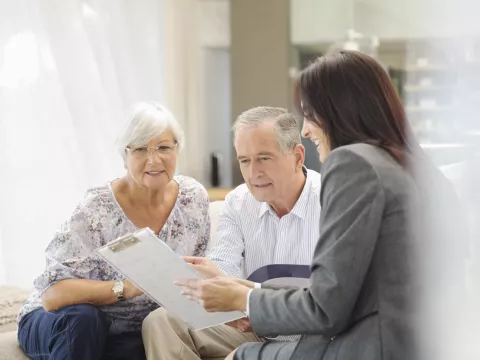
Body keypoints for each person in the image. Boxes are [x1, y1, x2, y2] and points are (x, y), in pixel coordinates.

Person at [175, 50, 464, 360]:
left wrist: (244, 299)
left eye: (310, 114)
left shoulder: (353, 164)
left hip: (368, 348)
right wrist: (250, 296)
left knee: (241, 356)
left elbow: (326, 309)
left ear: (339, 111)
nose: (306, 129)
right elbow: (348, 293)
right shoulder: (417, 171)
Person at [17, 102, 211, 360]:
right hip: (60, 319)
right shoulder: (96, 208)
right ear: (125, 156)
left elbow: (196, 276)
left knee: (146, 340)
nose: (154, 160)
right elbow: (53, 295)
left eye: (164, 147)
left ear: (177, 149)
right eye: (140, 149)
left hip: (128, 330)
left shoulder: (193, 199)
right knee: (84, 320)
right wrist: (127, 288)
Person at [142, 107, 322, 359]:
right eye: (244, 160)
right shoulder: (238, 202)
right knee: (162, 321)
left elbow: (331, 297)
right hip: (254, 327)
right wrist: (212, 281)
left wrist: (245, 296)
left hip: (313, 336)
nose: (253, 173)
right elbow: (223, 267)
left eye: (264, 158)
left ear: (298, 156)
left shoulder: (331, 201)